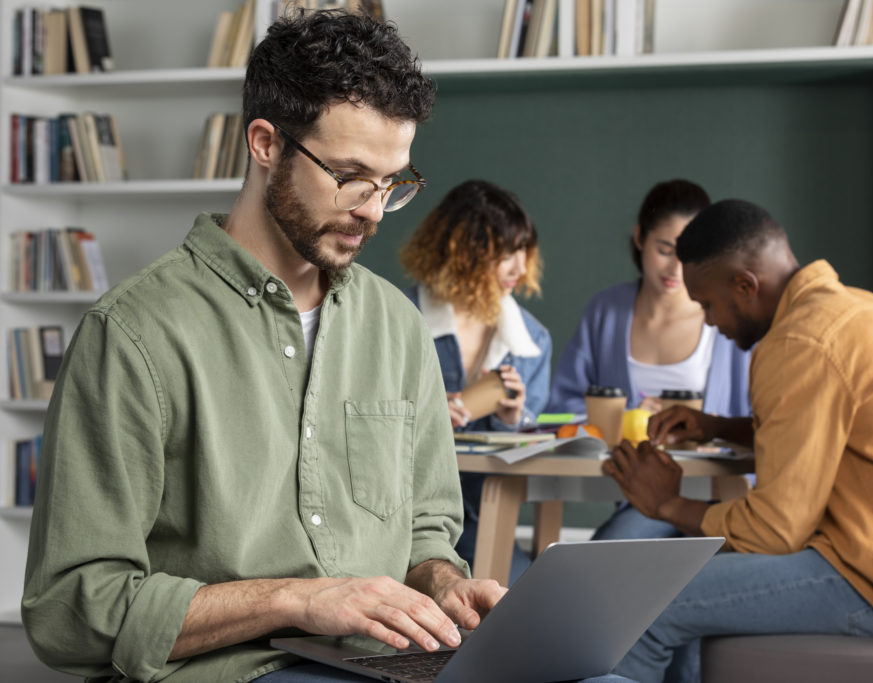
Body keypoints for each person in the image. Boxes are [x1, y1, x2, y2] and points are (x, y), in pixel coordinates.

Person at [20, 12, 630, 683]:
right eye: (350, 175)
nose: (372, 208)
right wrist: (298, 598)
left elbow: (427, 528)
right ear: (264, 144)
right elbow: (69, 610)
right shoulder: (132, 335)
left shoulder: (397, 328)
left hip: (387, 661)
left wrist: (443, 582)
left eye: (393, 182)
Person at [603, 199, 873, 683]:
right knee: (683, 599)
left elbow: (772, 532)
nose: (709, 322)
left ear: (745, 285)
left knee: (641, 603)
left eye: (708, 304)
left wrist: (667, 505)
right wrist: (718, 426)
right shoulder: (855, 308)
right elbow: (824, 431)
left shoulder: (797, 343)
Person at [546, 179, 750, 540]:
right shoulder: (606, 311)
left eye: (689, 252)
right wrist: (624, 418)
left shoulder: (729, 318)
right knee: (602, 561)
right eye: (665, 249)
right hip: (639, 499)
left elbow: (757, 421)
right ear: (640, 238)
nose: (675, 268)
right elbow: (560, 411)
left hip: (724, 499)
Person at [400, 179, 551, 582]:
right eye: (505, 253)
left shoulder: (531, 340)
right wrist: (423, 420)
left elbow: (533, 448)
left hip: (484, 521)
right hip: (400, 518)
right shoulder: (398, 317)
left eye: (523, 251)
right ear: (462, 250)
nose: (519, 268)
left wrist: (512, 418)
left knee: (520, 601)